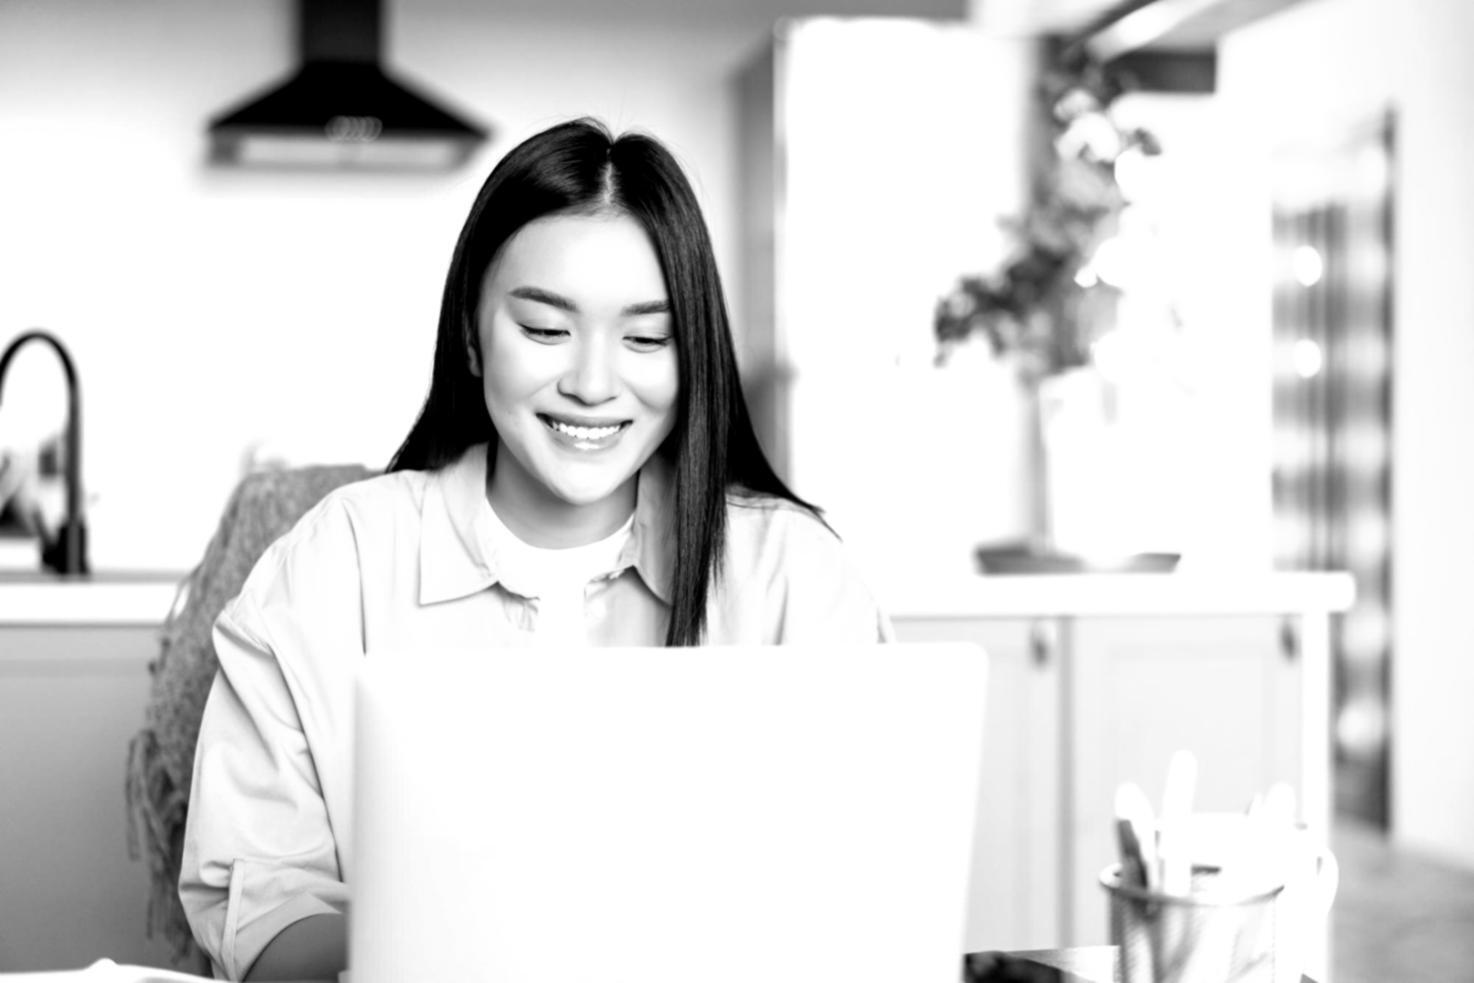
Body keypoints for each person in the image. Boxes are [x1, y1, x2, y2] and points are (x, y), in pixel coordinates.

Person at [179, 117, 891, 982]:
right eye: (546, 330)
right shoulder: (337, 561)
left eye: (646, 338)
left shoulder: (795, 577)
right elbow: (259, 911)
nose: (593, 384)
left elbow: (863, 899)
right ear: (475, 335)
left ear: (692, 353)